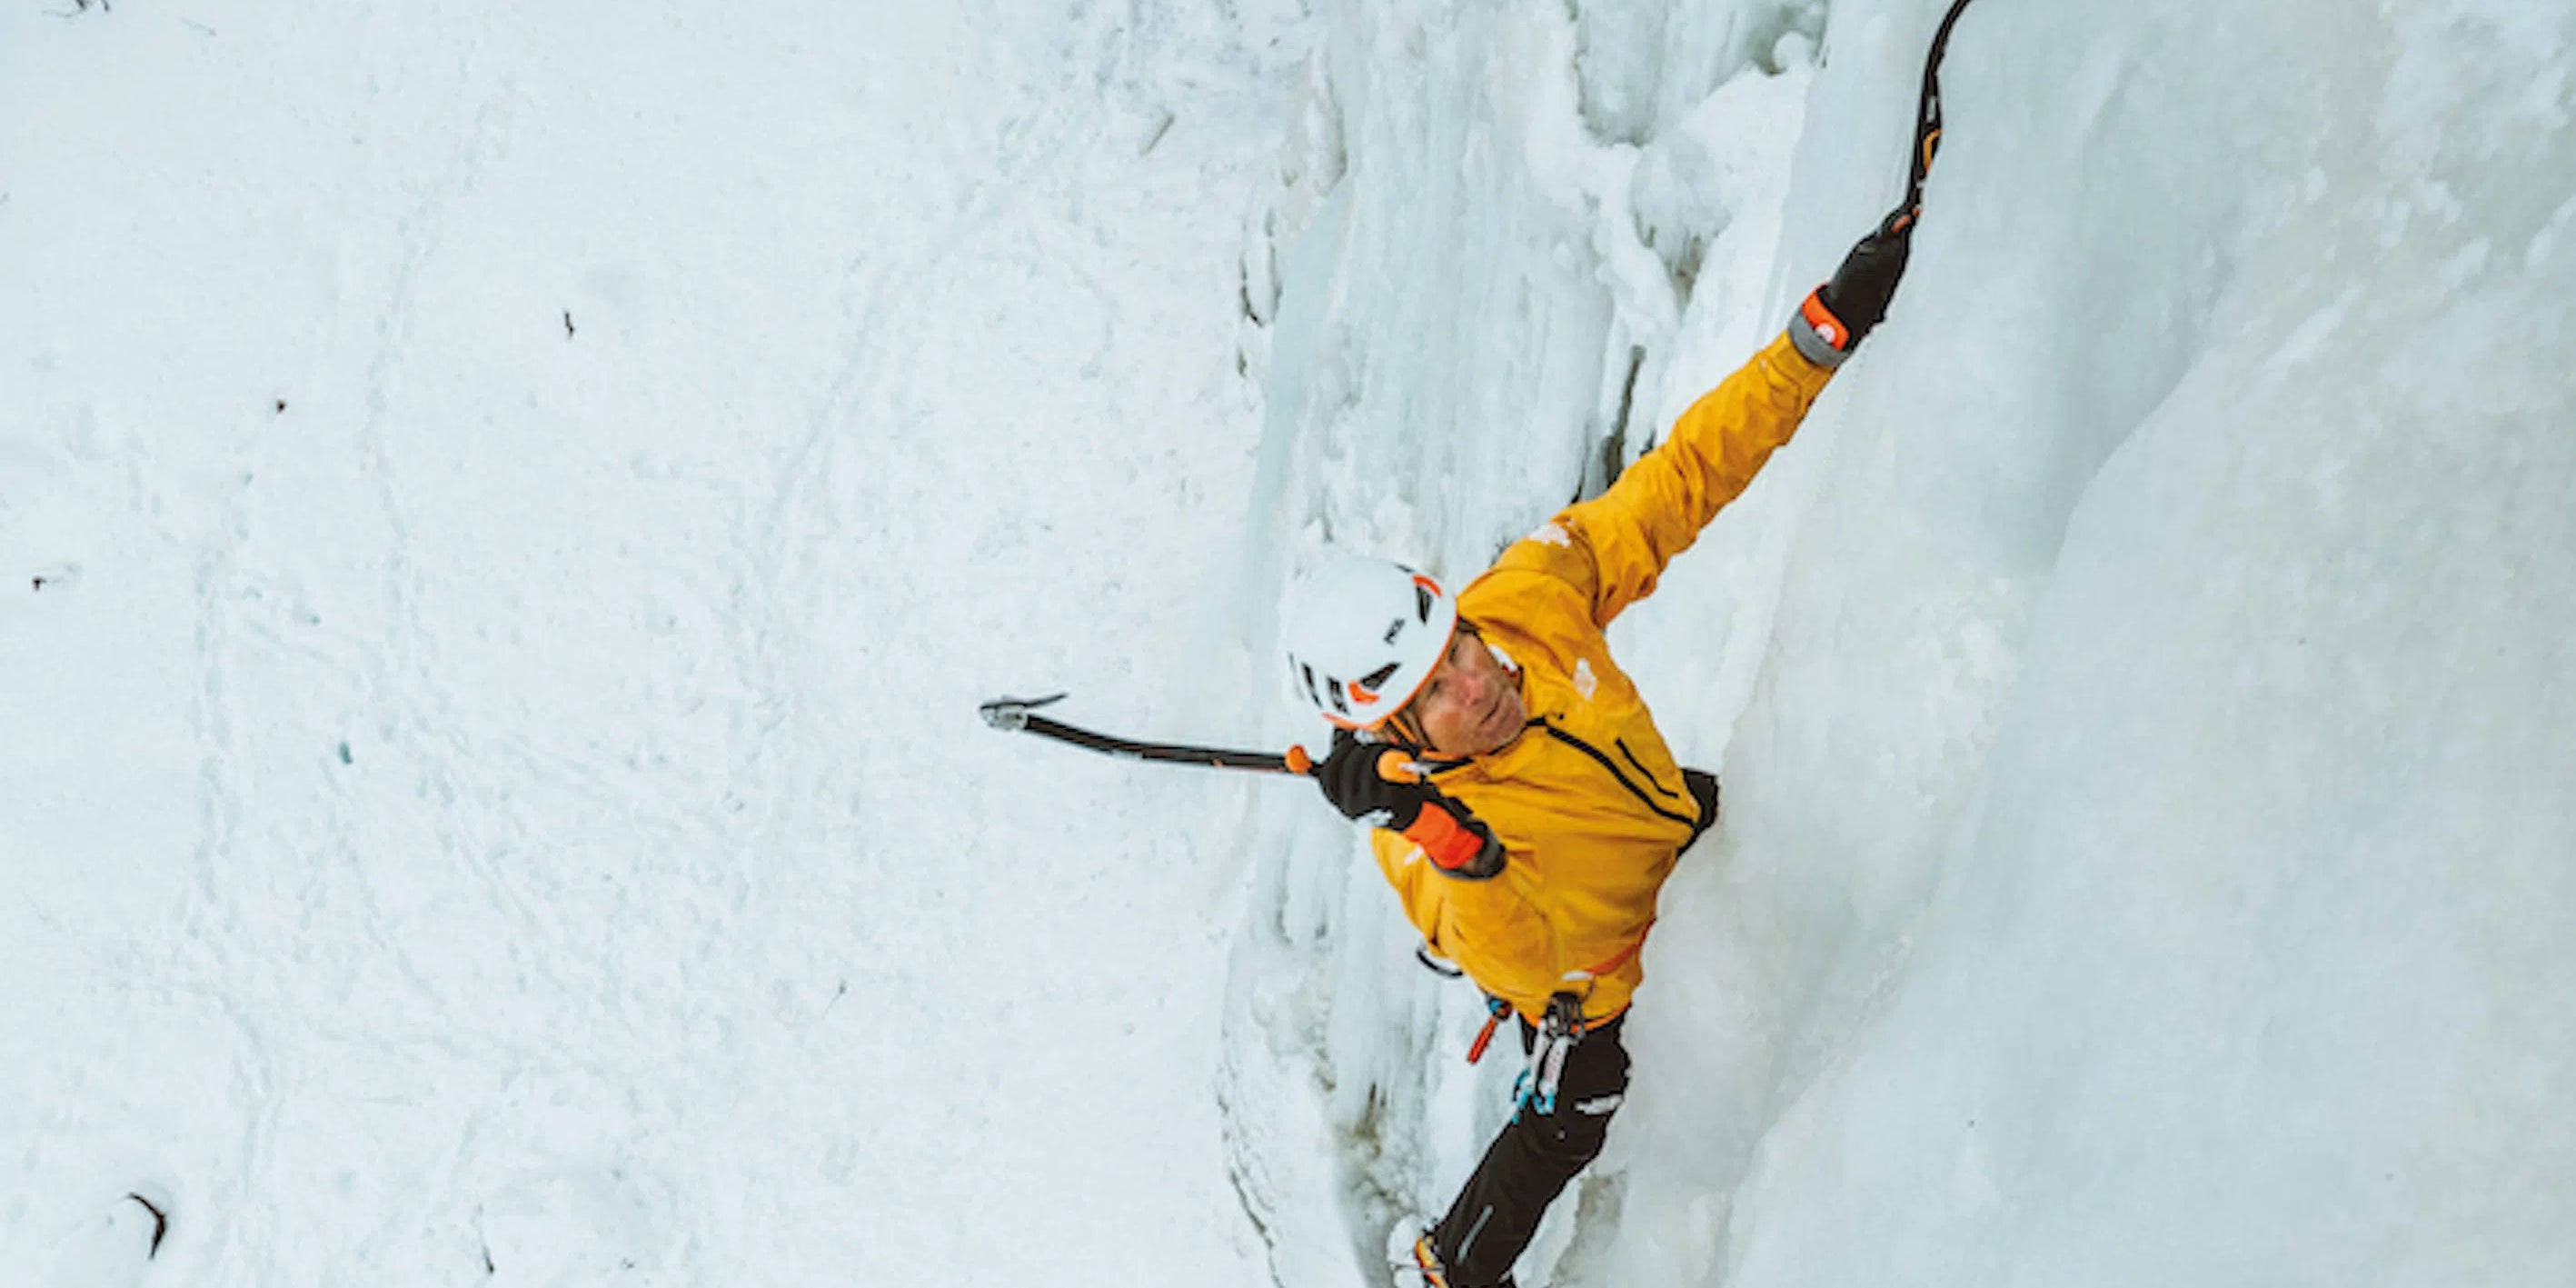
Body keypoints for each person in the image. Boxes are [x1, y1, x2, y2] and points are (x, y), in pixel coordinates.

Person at [1278, 207, 1919, 1288]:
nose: (1473, 682)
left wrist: (1820, 334)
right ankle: (1452, 1270)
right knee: (1574, 1114)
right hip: (1598, 971)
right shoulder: (1416, 836)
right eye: (1433, 695)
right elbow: (1516, 960)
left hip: (1666, 820)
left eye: (1457, 648)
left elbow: (1675, 486)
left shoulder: (1526, 599)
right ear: (1390, 730)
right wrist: (1451, 841)